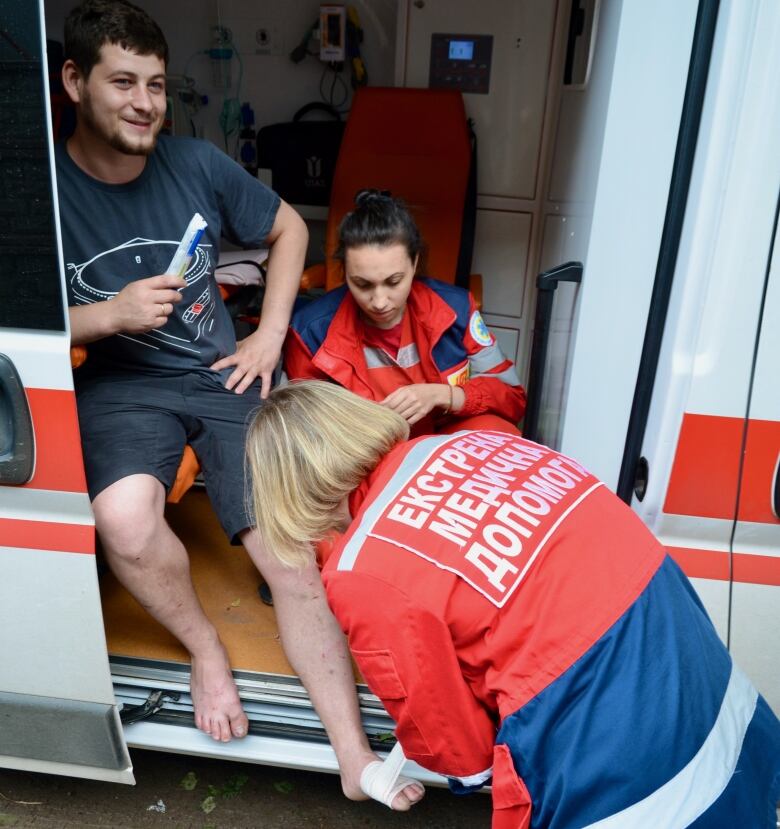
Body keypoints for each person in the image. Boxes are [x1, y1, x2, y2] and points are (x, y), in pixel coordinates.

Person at [56, 1, 421, 807]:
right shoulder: (41, 193)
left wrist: (269, 335)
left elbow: (290, 229)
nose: (145, 102)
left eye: (155, 84)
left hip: (225, 372)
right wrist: (104, 317)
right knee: (123, 517)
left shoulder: (195, 162)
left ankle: (354, 759)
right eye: (124, 82)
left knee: (288, 553)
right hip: (119, 385)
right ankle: (205, 647)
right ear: (75, 81)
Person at [247, 380, 780, 827]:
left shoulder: (362, 568)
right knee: (739, 783)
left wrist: (469, 772)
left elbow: (448, 735)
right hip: (684, 643)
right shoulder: (477, 444)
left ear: (289, 492)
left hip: (602, 723)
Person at [284, 189, 526, 438]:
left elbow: (512, 398)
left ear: (414, 263)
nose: (379, 302)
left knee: (498, 431)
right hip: (360, 455)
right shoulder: (310, 331)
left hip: (442, 447)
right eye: (363, 284)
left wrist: (441, 395)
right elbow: (302, 429)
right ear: (344, 272)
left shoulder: (456, 310)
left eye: (394, 281)